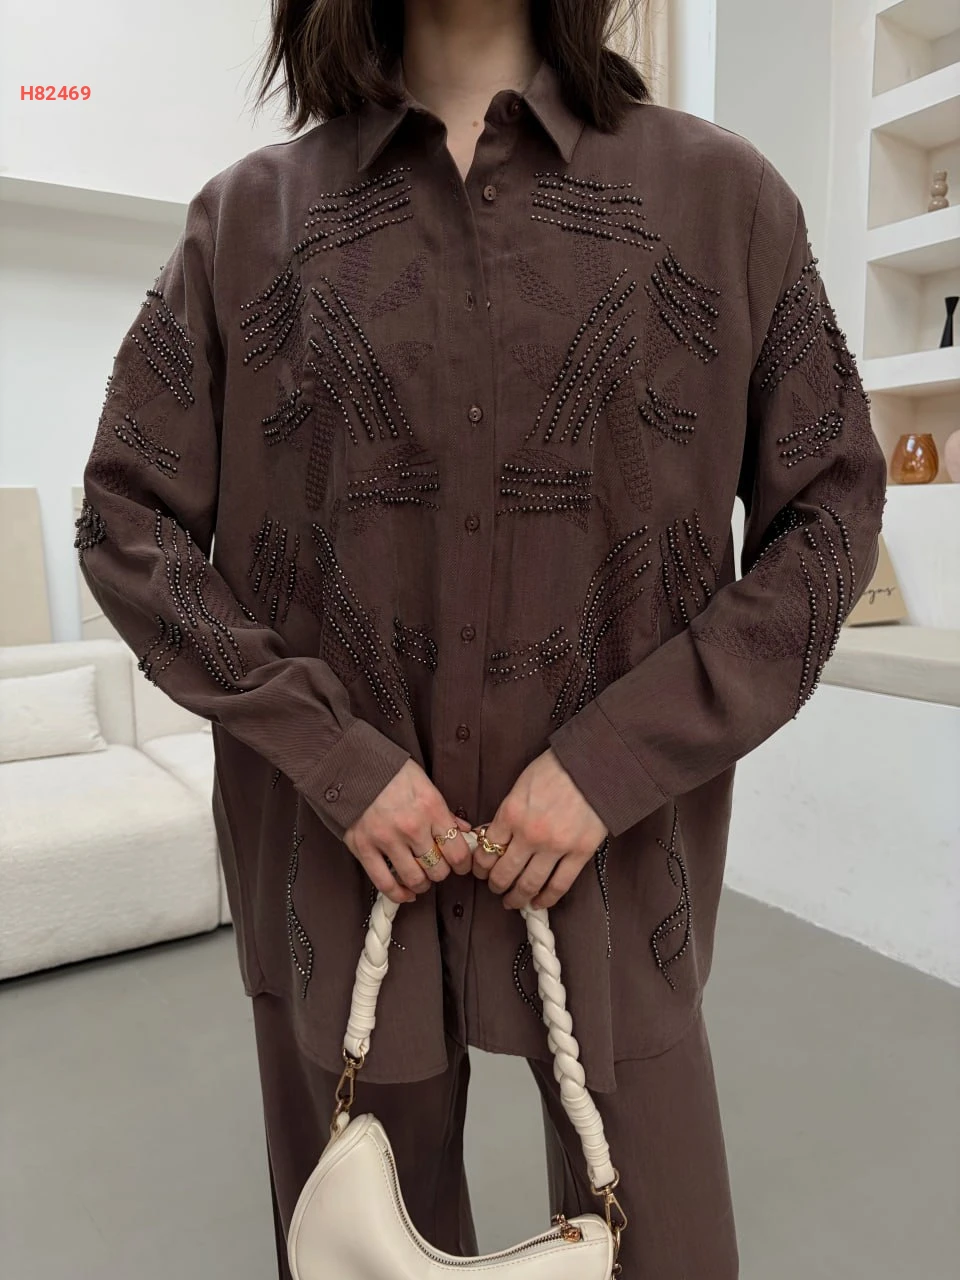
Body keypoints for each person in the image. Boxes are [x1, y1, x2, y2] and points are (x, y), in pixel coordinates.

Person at [74, 0, 887, 1275]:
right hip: (335, 864)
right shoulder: (245, 224)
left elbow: (829, 517)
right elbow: (127, 519)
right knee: (359, 1243)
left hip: (622, 866)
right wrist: (333, 755)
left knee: (667, 1241)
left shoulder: (721, 200)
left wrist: (617, 758)